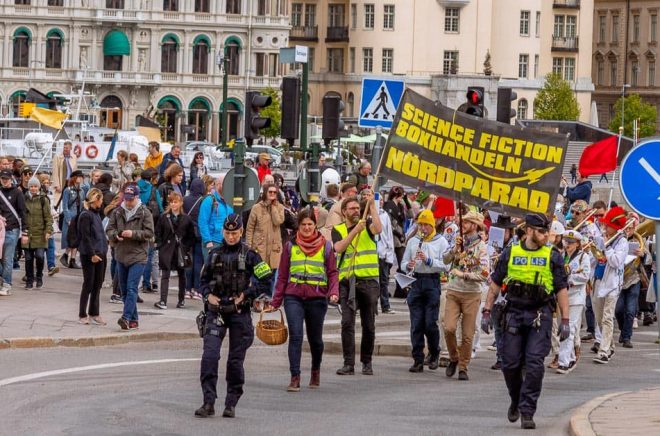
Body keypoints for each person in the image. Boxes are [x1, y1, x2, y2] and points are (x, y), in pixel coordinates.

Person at [482, 213, 570, 430]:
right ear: (529, 230)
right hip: (514, 312)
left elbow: (561, 288)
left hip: (540, 314)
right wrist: (486, 310)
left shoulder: (553, 255)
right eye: (541, 231)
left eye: (546, 231)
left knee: (534, 364)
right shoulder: (511, 252)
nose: (545, 235)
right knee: (509, 363)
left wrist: (566, 319)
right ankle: (516, 399)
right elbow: (495, 283)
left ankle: (527, 410)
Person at [195, 214, 272, 419]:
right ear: (223, 233)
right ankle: (208, 402)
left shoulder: (250, 255)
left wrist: (246, 295)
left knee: (235, 362)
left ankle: (231, 403)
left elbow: (266, 279)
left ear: (240, 232)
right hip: (216, 311)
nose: (231, 237)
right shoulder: (213, 254)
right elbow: (202, 281)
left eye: (234, 233)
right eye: (227, 233)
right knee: (209, 357)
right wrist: (207, 295)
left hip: (239, 312)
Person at [271, 208, 340, 391]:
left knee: (315, 339)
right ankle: (295, 376)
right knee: (295, 336)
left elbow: (333, 272)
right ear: (298, 226)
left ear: (315, 225)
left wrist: (333, 292)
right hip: (293, 296)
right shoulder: (290, 246)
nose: (307, 228)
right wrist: (275, 301)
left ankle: (315, 370)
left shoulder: (325, 246)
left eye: (310, 224)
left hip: (317, 298)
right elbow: (283, 275)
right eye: (303, 225)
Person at [332, 194, 382, 376]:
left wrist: (373, 208)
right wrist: (354, 231)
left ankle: (367, 362)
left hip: (368, 281)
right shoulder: (338, 228)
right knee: (347, 323)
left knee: (369, 324)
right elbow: (338, 248)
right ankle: (348, 363)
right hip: (347, 282)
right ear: (344, 211)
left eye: (357, 208)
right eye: (352, 208)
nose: (356, 211)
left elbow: (378, 229)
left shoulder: (367, 223)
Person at [441, 211, 490, 381]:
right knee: (449, 328)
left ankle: (463, 366)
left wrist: (464, 275)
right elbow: (445, 260)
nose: (463, 225)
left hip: (471, 294)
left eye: (467, 222)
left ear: (475, 226)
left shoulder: (481, 248)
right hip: (454, 291)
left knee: (468, 335)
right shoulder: (458, 240)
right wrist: (455, 248)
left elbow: (484, 274)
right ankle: (454, 358)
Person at [401, 209, 449, 372]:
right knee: (416, 324)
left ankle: (434, 352)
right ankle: (418, 359)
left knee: (430, 322)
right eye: (420, 225)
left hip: (432, 281)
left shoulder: (441, 241)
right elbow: (403, 262)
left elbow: (446, 265)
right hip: (416, 281)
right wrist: (408, 265)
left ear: (432, 225)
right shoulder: (413, 241)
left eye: (425, 225)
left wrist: (428, 260)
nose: (422, 228)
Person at [105, 183, 154, 330]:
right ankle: (134, 320)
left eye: (131, 199)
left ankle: (125, 318)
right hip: (121, 254)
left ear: (137, 197)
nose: (128, 202)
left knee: (132, 288)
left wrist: (133, 234)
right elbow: (109, 229)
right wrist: (115, 235)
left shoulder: (145, 213)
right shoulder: (118, 212)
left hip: (138, 256)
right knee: (124, 290)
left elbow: (150, 233)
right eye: (126, 199)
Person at [592, 206, 629, 364]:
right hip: (598, 280)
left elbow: (615, 262)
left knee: (607, 317)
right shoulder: (603, 237)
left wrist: (607, 247)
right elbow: (594, 256)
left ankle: (604, 350)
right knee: (599, 319)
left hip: (613, 284)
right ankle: (610, 345)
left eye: (607, 225)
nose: (604, 227)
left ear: (615, 227)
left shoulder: (622, 242)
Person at [557, 229, 590, 374]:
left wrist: (569, 278)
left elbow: (585, 276)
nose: (568, 245)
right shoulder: (561, 256)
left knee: (568, 329)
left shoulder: (584, 257)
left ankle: (563, 362)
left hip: (576, 297)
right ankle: (570, 358)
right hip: (563, 297)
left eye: (571, 242)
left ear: (577, 244)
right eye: (566, 242)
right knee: (563, 328)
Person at [154, 192, 195, 310]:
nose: (173, 204)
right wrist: (160, 246)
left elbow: (191, 236)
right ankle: (163, 300)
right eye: (171, 202)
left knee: (182, 275)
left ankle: (181, 300)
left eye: (175, 202)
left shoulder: (187, 218)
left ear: (181, 203)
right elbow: (158, 232)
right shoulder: (164, 217)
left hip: (180, 249)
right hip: (167, 249)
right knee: (165, 274)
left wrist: (186, 247)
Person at [245, 183, 285, 295]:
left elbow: (278, 221)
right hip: (259, 247)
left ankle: (268, 299)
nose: (272, 194)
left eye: (274, 192)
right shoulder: (256, 208)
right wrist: (249, 245)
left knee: (271, 276)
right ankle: (256, 298)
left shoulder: (280, 207)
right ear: (265, 193)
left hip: (274, 248)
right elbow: (250, 228)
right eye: (270, 192)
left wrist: (273, 207)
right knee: (258, 275)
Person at [615, 215, 647, 348]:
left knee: (630, 310)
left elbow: (649, 259)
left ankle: (627, 337)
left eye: (631, 227)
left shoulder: (639, 240)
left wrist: (643, 255)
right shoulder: (617, 239)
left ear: (635, 228)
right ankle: (623, 331)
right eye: (626, 227)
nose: (628, 230)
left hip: (634, 279)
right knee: (618, 310)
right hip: (619, 279)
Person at [77, 188, 108, 325]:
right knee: (88, 284)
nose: (102, 203)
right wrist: (92, 254)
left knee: (98, 284)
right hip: (90, 254)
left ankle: (94, 312)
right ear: (95, 200)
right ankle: (82, 314)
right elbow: (85, 237)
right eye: (101, 200)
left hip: (100, 252)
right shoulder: (86, 215)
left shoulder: (96, 215)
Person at [0, 169, 27, 296]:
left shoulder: (17, 192)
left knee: (7, 258)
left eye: (6, 178)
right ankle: (3, 279)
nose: (4, 181)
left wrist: (25, 231)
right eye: (2, 178)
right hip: (1, 229)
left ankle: (6, 284)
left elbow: (22, 211)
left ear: (11, 179)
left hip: (12, 229)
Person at [24, 177, 53, 289]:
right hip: (27, 234)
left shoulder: (43, 199)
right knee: (28, 258)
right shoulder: (24, 198)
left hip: (40, 234)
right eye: (31, 186)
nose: (33, 188)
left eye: (35, 186)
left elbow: (48, 217)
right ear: (28, 187)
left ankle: (39, 276)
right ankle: (29, 280)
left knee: (40, 257)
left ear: (39, 187)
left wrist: (48, 231)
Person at [138, 168, 163, 294]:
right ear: (151, 179)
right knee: (150, 255)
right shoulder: (154, 190)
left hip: (137, 226)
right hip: (151, 227)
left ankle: (136, 282)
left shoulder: (136, 188)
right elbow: (160, 207)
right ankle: (147, 284)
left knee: (136, 255)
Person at [198, 175, 234, 260]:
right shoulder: (209, 200)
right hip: (213, 242)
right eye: (224, 184)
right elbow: (203, 221)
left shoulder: (230, 201)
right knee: (211, 270)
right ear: (217, 185)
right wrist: (208, 241)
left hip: (227, 242)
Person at [183, 178, 207, 300]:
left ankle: (187, 289)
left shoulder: (185, 200)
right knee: (198, 262)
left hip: (187, 234)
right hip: (199, 234)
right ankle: (197, 289)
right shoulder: (203, 201)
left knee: (188, 262)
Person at [61, 170, 86, 269]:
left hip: (78, 217)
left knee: (76, 239)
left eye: (81, 177)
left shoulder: (82, 191)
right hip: (70, 217)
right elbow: (65, 206)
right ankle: (66, 256)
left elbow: (83, 204)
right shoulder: (68, 190)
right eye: (78, 176)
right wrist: (68, 219)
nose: (80, 178)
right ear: (74, 178)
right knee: (69, 238)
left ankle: (72, 259)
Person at [377, 196, 396, 315]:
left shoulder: (384, 215)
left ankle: (385, 305)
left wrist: (390, 255)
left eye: (382, 199)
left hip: (383, 253)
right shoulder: (365, 214)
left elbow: (389, 236)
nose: (381, 201)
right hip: (372, 254)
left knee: (384, 281)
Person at [38, 174, 59, 277]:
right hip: (40, 223)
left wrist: (55, 213)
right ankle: (39, 268)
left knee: (51, 245)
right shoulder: (38, 194)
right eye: (44, 182)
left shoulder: (50, 193)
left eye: (47, 183)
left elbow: (51, 207)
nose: (46, 185)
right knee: (41, 248)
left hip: (49, 223)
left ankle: (51, 266)